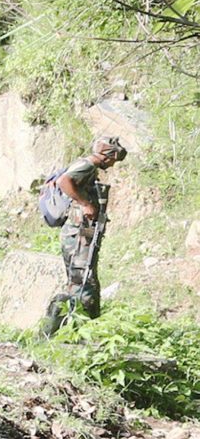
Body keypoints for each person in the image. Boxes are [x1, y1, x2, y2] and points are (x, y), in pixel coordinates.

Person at [45, 134, 129, 333]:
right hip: (78, 232)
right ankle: (71, 327)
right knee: (82, 279)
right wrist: (85, 204)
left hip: (79, 231)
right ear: (106, 155)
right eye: (113, 160)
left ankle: (75, 324)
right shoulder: (88, 166)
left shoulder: (87, 166)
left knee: (82, 277)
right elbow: (64, 181)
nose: (112, 164)